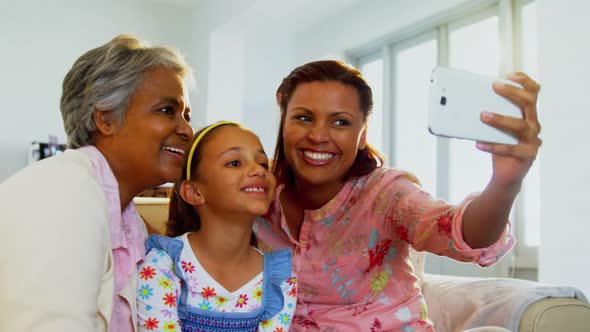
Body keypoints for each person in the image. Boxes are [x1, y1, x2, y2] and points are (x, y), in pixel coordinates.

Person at [253, 60, 542, 331]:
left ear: (362, 134)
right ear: (284, 123)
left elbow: (459, 231)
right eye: (303, 118)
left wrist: (504, 184)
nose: (318, 135)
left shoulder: (387, 193)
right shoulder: (258, 194)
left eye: (340, 122)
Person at [0, 34, 194, 331]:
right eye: (167, 110)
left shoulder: (129, 221)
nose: (186, 130)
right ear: (106, 119)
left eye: (186, 115)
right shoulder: (62, 191)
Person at [137, 121, 297, 332]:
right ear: (194, 192)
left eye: (263, 164)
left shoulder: (280, 280)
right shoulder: (164, 265)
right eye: (234, 163)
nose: (258, 170)